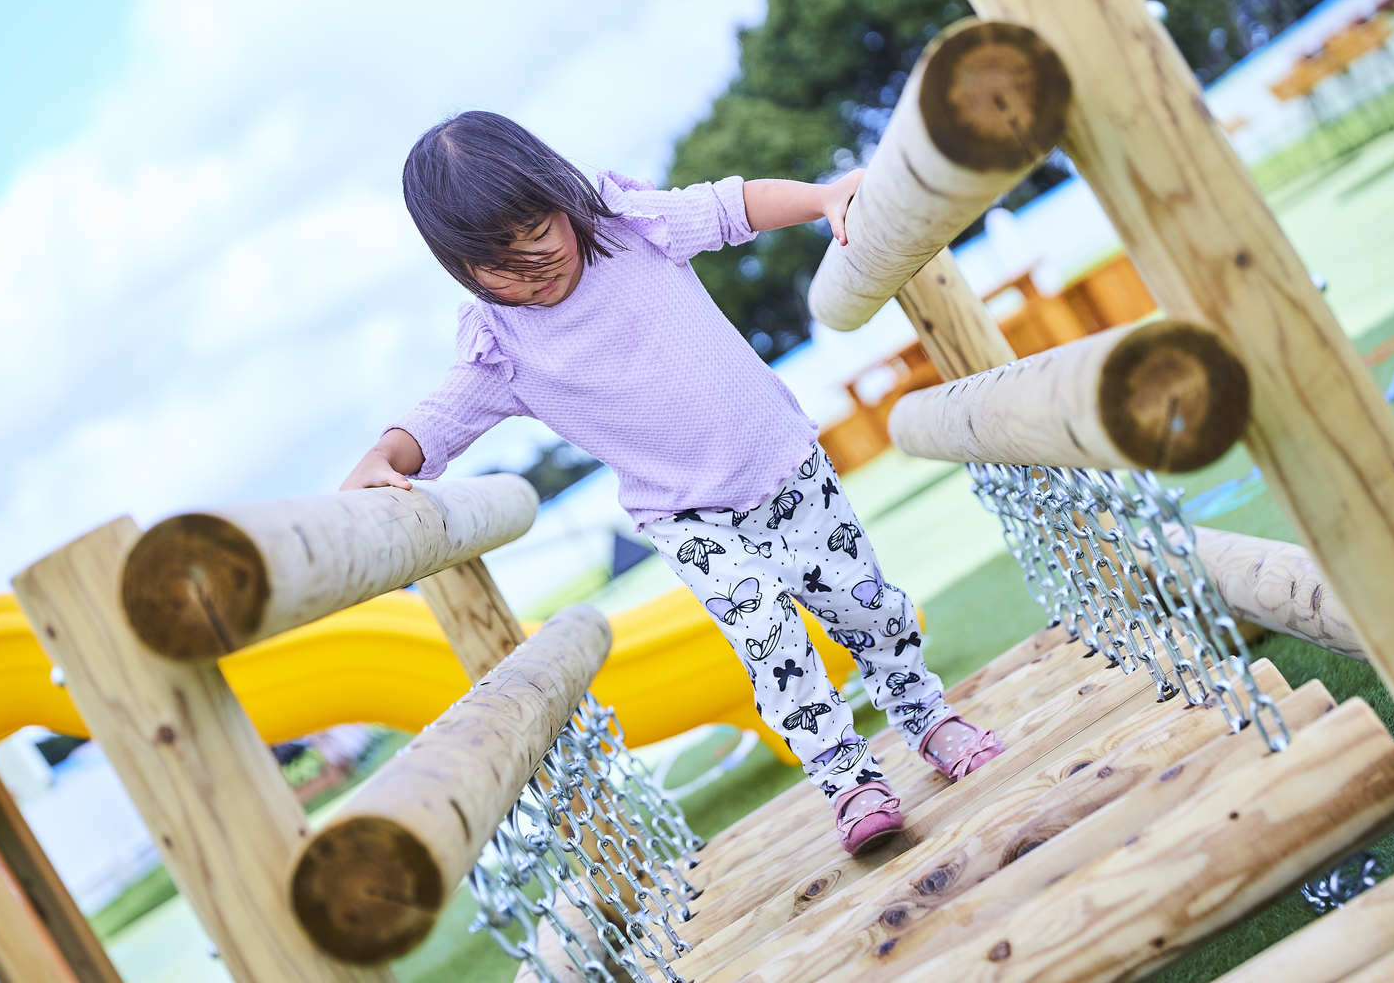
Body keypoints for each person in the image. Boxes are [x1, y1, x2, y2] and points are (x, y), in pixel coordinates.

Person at [343, 111, 1003, 854]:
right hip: (687, 518)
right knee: (769, 639)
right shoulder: (503, 349)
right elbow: (440, 419)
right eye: (501, 266)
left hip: (783, 467)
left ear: (558, 195)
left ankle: (928, 719)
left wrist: (823, 198)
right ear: (459, 267)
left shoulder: (633, 231)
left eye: (537, 238)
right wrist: (384, 458)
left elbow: (733, 206)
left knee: (866, 609)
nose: (534, 270)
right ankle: (850, 784)